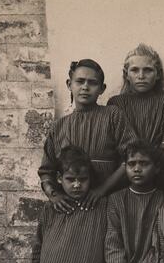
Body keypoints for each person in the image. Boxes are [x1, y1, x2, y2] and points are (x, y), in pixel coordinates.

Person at [87, 141, 164, 263]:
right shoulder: (116, 200)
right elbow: (112, 243)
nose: (137, 169)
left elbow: (159, 245)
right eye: (132, 164)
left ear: (157, 168)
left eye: (144, 164)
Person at [39, 59, 137, 212]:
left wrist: (102, 190)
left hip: (108, 201)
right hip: (70, 207)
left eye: (92, 83)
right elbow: (46, 171)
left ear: (102, 89)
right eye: (80, 81)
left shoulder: (112, 115)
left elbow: (131, 157)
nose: (85, 87)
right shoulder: (58, 126)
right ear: (69, 84)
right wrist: (54, 195)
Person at [107, 44, 164, 148]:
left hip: (156, 159)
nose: (141, 76)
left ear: (158, 74)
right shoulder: (116, 103)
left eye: (148, 70)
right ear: (126, 75)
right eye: (135, 70)